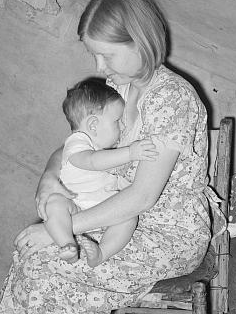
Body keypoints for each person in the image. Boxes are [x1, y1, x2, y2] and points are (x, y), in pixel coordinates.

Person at [0, 0, 215, 314]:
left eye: (108, 55)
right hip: (112, 215)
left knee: (57, 266)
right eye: (94, 56)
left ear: (142, 41)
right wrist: (50, 182)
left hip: (166, 229)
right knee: (34, 255)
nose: (99, 69)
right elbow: (74, 148)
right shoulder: (113, 89)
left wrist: (67, 227)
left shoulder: (173, 99)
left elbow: (142, 195)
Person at [45, 77, 158, 267]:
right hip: (73, 203)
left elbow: (114, 179)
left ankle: (102, 252)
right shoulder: (77, 143)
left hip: (99, 205)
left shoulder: (102, 149)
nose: (121, 127)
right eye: (116, 122)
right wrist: (130, 153)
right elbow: (92, 162)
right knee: (54, 204)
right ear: (93, 125)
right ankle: (67, 244)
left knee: (129, 216)